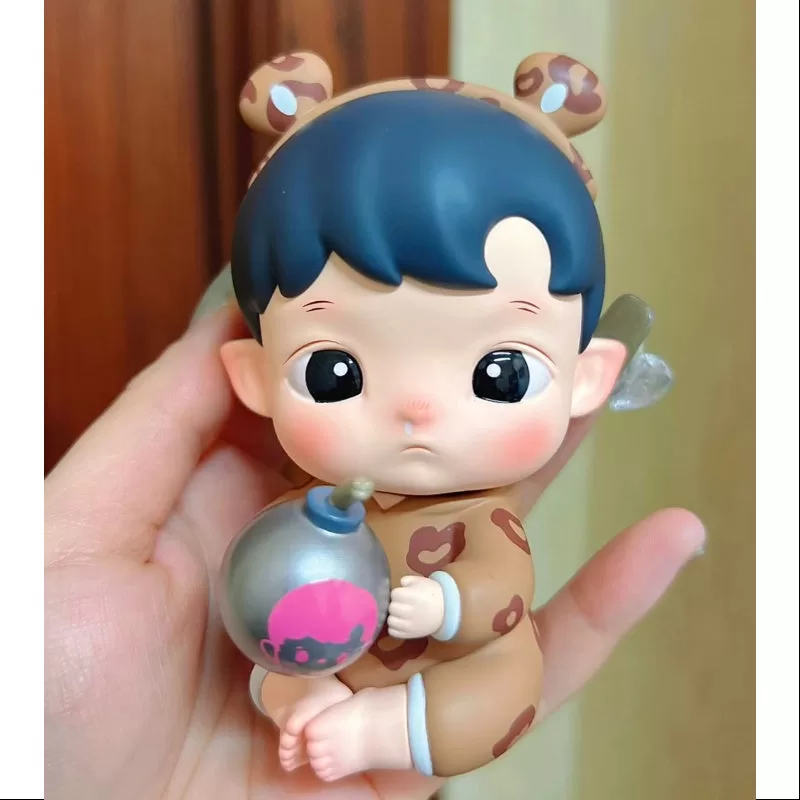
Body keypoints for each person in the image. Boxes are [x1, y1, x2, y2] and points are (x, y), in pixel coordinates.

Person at [44, 294, 705, 800]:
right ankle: (305, 703)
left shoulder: (484, 516)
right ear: (254, 375)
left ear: (587, 378)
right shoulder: (310, 499)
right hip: (330, 660)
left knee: (506, 693)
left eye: (501, 373)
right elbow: (266, 579)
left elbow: (504, 585)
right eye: (335, 371)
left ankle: (375, 730)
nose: (416, 408)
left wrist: (448, 602)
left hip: (451, 667)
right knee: (270, 659)